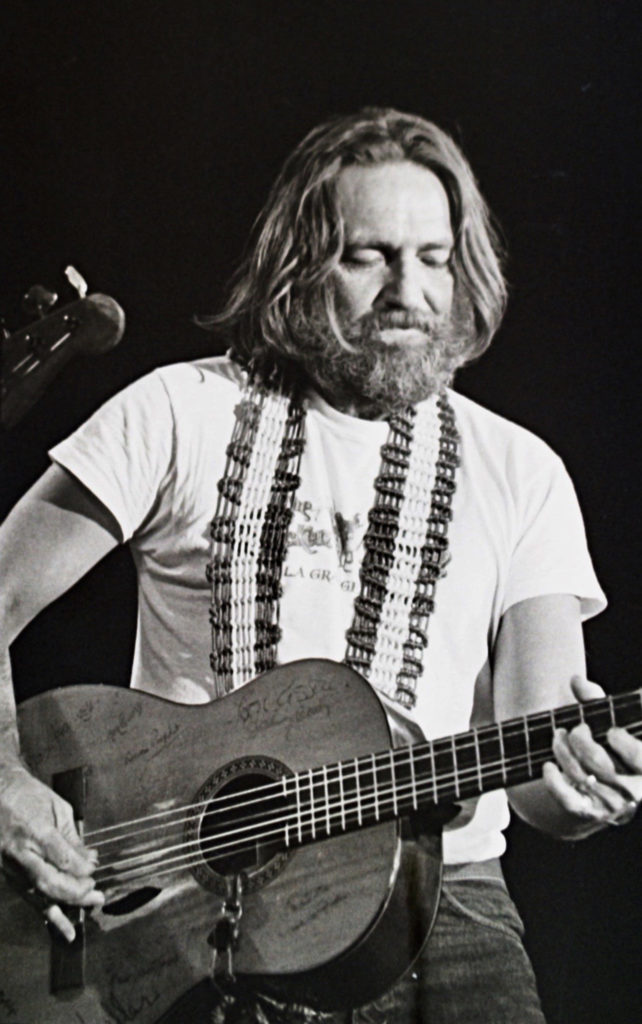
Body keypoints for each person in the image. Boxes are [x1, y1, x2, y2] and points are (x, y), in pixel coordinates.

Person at [1, 107, 641, 1023]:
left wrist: (594, 789)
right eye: (368, 254)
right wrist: (5, 784)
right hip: (170, 909)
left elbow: (544, 776)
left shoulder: (523, 471)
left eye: (434, 257)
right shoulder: (178, 411)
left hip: (446, 906)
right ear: (299, 267)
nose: (408, 291)